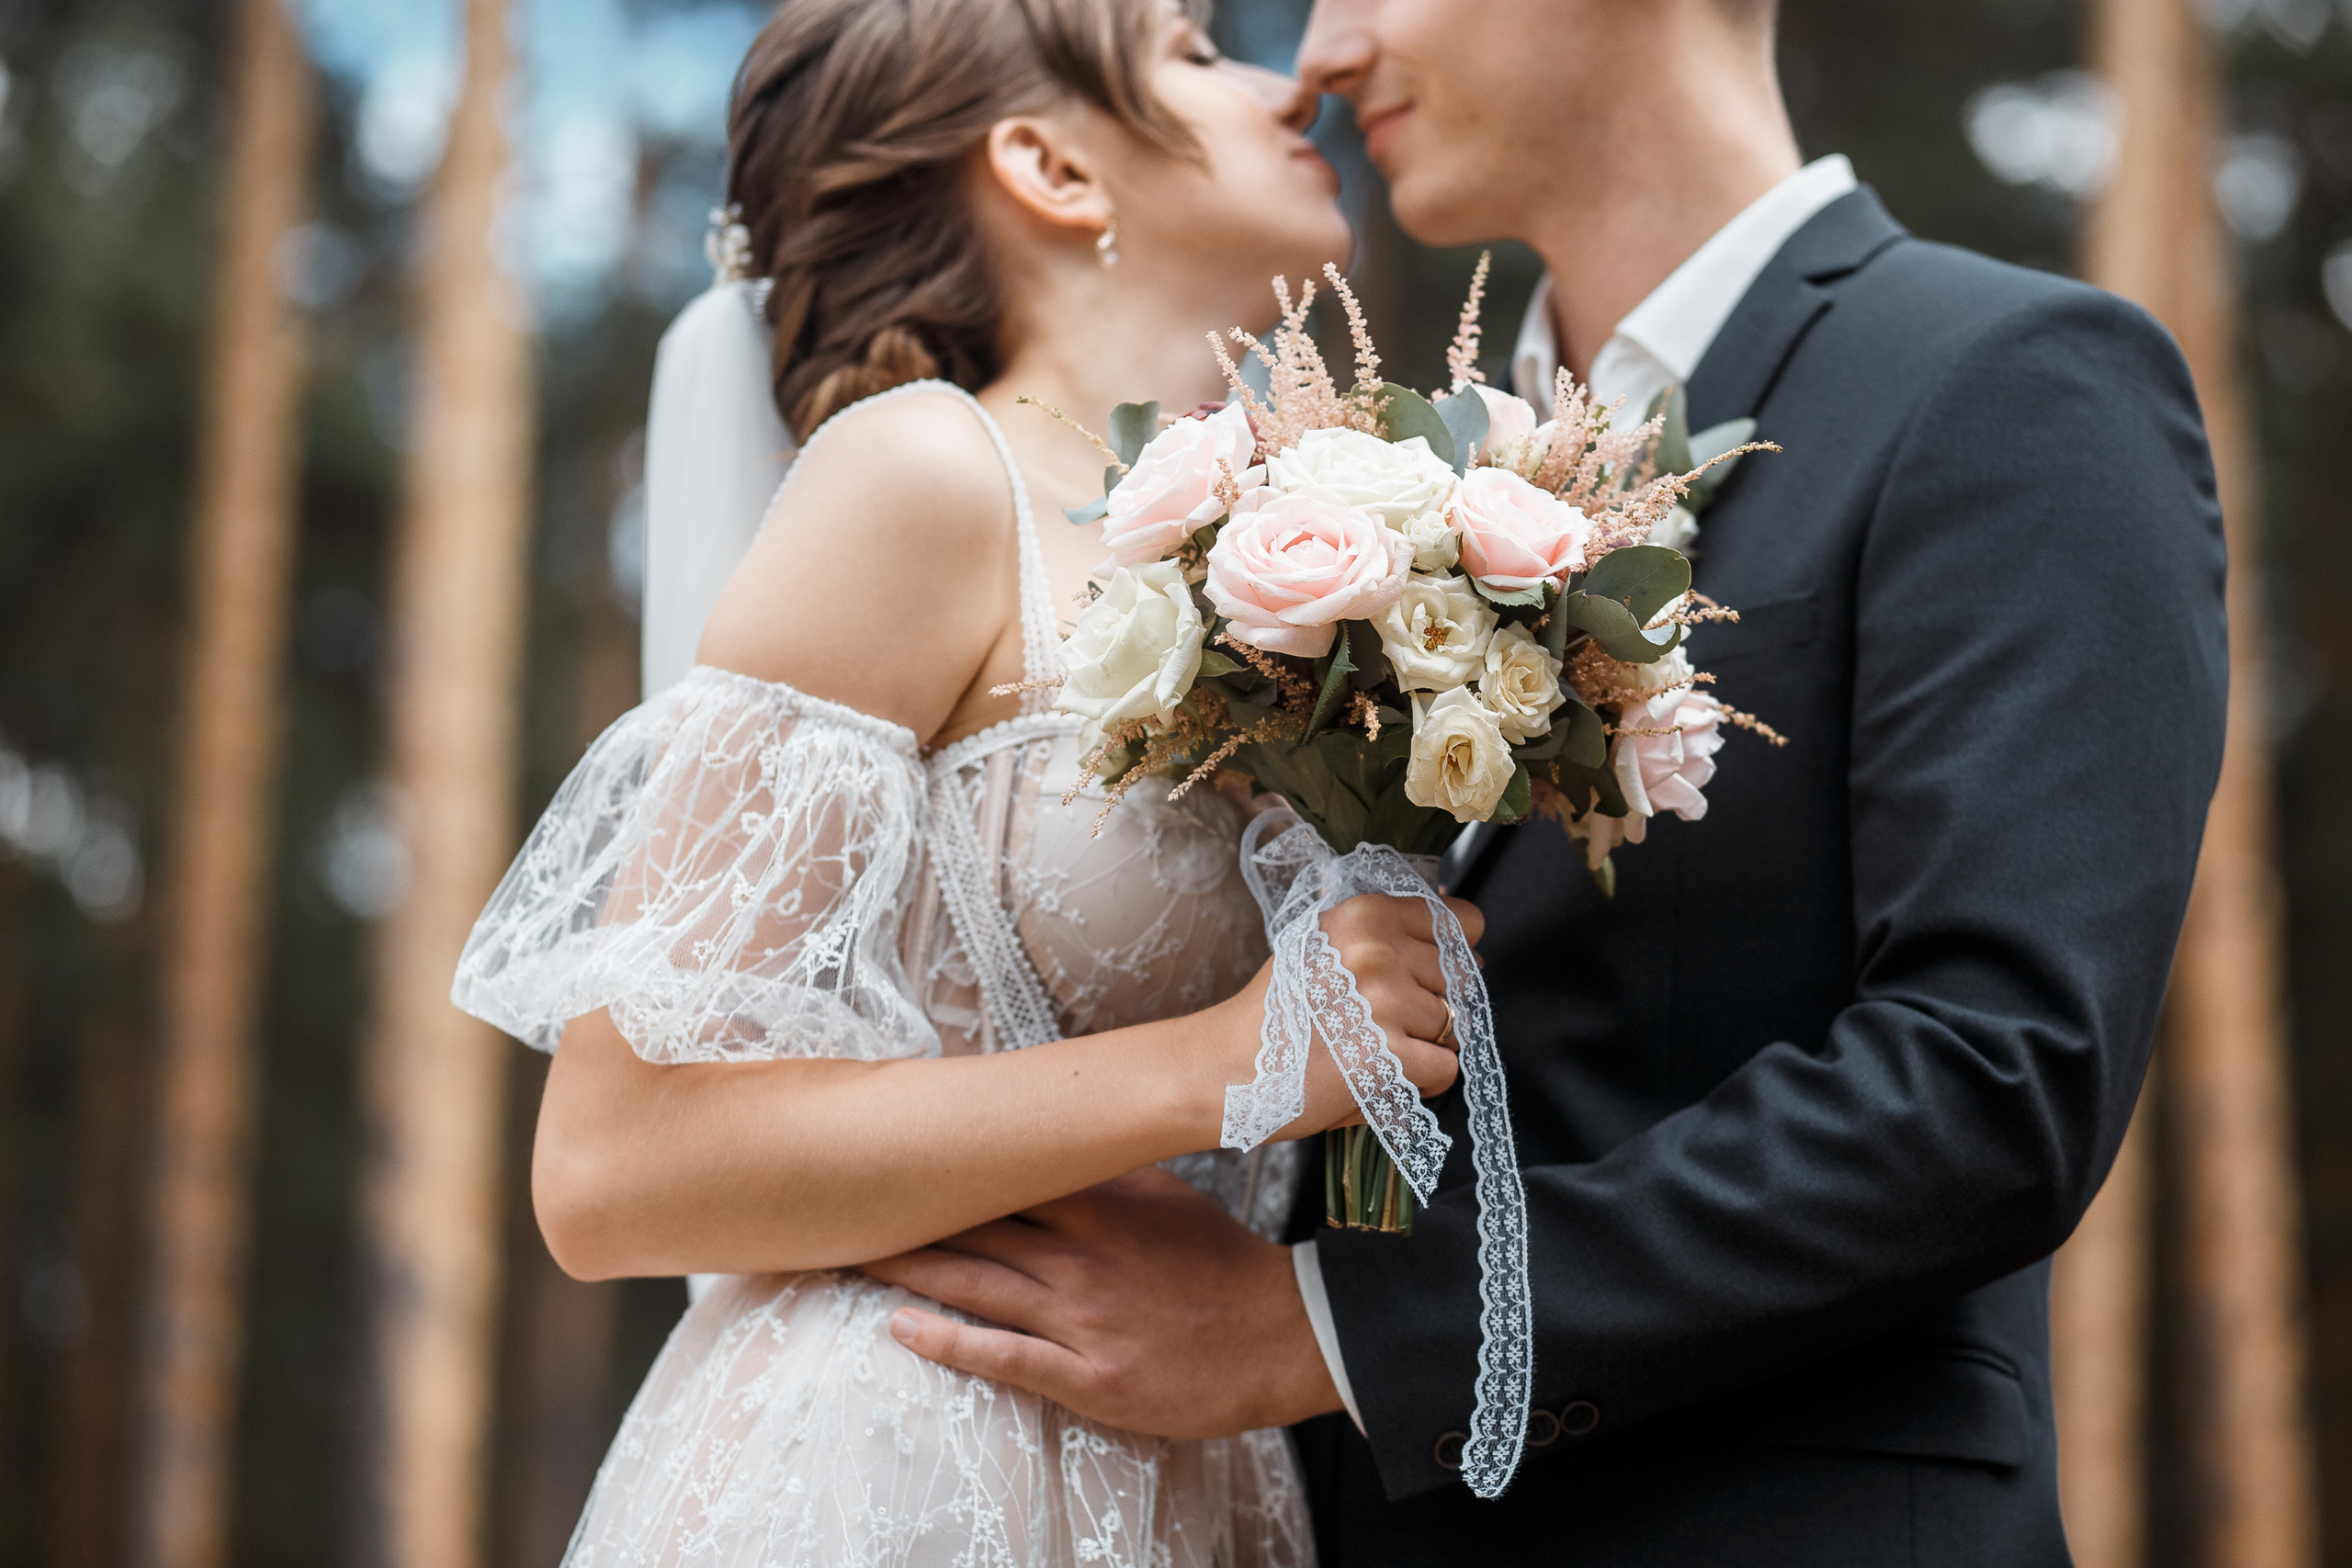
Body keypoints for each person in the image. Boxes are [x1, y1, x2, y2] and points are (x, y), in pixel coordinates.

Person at [868, 0, 2232, 1562]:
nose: (1315, 58)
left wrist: (1316, 1331)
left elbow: (1993, 1080)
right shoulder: (1355, 473)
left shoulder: (2008, 382)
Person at [450, 2, 1478, 1562]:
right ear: (1049, 162)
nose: (1293, 86)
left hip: (1196, 1470)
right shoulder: (925, 478)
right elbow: (612, 1167)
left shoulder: (1310, 574)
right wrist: (1228, 1058)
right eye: (1198, 56)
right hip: (895, 1461)